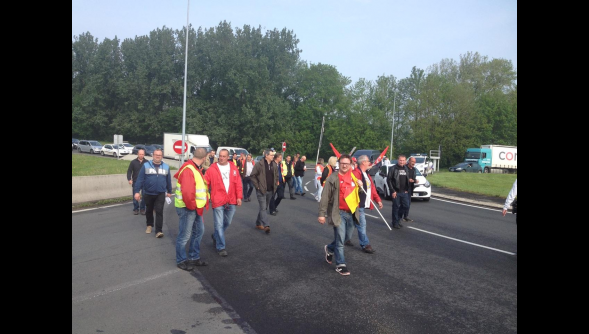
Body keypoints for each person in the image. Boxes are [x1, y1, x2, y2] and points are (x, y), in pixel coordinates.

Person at [318, 154, 360, 276]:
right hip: (338, 213)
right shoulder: (333, 178)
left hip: (351, 212)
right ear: (339, 164)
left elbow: (357, 192)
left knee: (347, 237)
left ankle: (330, 249)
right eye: (342, 163)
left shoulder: (353, 177)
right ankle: (341, 264)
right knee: (341, 239)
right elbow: (325, 197)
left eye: (347, 163)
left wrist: (361, 186)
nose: (345, 165)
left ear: (351, 164)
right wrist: (322, 214)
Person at [174, 147, 209, 271]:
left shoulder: (193, 167)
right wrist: (193, 208)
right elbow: (188, 194)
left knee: (199, 231)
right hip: (188, 208)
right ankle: (181, 260)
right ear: (204, 158)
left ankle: (194, 257)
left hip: (194, 208)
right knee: (184, 235)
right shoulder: (190, 169)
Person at [204, 149, 243, 257]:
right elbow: (205, 183)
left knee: (228, 222)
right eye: (220, 156)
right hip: (218, 200)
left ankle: (216, 235)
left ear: (228, 157)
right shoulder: (212, 169)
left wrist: (239, 197)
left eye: (224, 156)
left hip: (231, 199)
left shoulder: (233, 168)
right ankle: (221, 247)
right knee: (219, 224)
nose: (221, 158)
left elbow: (238, 184)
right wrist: (206, 197)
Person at [344, 155, 383, 254]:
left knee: (352, 224)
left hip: (363, 203)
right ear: (363, 162)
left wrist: (378, 200)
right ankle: (365, 244)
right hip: (357, 204)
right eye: (368, 161)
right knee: (361, 224)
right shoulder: (355, 173)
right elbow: (350, 187)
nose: (370, 163)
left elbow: (372, 189)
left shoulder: (367, 175)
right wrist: (358, 185)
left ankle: (345, 239)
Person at [133, 149, 172, 237]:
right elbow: (140, 180)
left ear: (162, 156)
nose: (158, 156)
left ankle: (159, 231)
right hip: (148, 192)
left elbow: (168, 180)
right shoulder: (146, 166)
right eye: (156, 155)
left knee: (159, 211)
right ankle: (149, 225)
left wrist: (169, 191)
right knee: (149, 210)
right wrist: (136, 192)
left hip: (160, 193)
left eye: (159, 155)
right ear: (153, 155)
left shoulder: (166, 167)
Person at [250, 149, 278, 234]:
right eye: (271, 155)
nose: (273, 156)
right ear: (266, 155)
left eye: (273, 155)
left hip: (270, 190)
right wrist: (257, 186)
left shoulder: (274, 165)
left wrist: (275, 185)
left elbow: (276, 176)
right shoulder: (259, 164)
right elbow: (252, 175)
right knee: (263, 208)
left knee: (264, 208)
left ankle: (258, 223)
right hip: (261, 190)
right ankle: (266, 225)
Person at [386, 154, 410, 229]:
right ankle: (395, 222)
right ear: (398, 160)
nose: (402, 162)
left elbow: (407, 179)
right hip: (396, 192)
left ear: (405, 161)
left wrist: (407, 189)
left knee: (406, 206)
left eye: (403, 160)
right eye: (400, 160)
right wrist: (392, 191)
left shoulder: (406, 168)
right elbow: (388, 180)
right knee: (395, 207)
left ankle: (398, 219)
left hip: (404, 192)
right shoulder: (393, 168)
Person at [127, 148, 147, 215]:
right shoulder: (133, 162)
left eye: (142, 154)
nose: (141, 155)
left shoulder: (147, 162)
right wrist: (129, 179)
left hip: (145, 182)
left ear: (144, 154)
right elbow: (129, 171)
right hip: (136, 181)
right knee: (135, 196)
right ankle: (136, 209)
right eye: (140, 154)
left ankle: (142, 208)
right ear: (137, 154)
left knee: (144, 195)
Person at [402, 156, 419, 223]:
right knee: (404, 204)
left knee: (408, 204)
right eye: (412, 161)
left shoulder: (414, 169)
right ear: (409, 161)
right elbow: (402, 177)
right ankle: (399, 216)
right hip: (403, 188)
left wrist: (415, 180)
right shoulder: (404, 168)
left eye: (414, 162)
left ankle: (405, 216)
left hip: (410, 188)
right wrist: (408, 180)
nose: (413, 163)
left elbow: (413, 178)